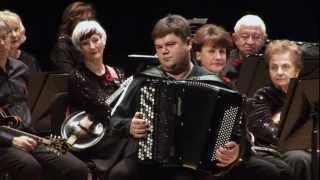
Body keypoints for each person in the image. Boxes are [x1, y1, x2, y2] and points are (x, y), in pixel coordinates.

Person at [110, 14, 285, 180]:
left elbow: (240, 134)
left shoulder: (215, 84)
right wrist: (129, 127)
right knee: (120, 174)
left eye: (170, 45)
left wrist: (236, 151)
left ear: (188, 44)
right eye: (159, 47)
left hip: (195, 164)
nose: (164, 52)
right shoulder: (146, 79)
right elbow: (114, 120)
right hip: (149, 158)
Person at [192, 24, 294, 180]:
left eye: (222, 52)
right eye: (212, 51)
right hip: (202, 160)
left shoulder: (228, 85)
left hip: (230, 154)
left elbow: (240, 127)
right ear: (198, 55)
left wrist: (238, 150)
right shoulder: (193, 84)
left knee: (284, 169)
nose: (219, 57)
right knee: (269, 172)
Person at [0, 18, 88, 180]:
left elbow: (27, 105)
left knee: (78, 168)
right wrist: (12, 140)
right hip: (3, 142)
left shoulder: (21, 69)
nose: (1, 43)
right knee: (30, 166)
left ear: (8, 39)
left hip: (29, 135)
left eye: (3, 37)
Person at [68, 20, 139, 180]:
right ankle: (96, 168)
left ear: (103, 40)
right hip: (97, 135)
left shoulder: (118, 73)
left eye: (95, 40)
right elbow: (101, 110)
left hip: (119, 128)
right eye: (85, 43)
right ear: (80, 48)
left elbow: (127, 104)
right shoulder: (77, 76)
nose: (92, 47)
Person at [247, 40, 312, 180]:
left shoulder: (310, 94)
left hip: (307, 147)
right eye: (274, 67)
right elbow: (263, 129)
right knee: (299, 158)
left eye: (285, 67)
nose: (279, 72)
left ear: (297, 70)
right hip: (273, 150)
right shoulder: (263, 95)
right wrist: (301, 140)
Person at [50, 1, 96, 72]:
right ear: (71, 22)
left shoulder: (92, 44)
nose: (87, 24)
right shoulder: (62, 47)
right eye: (82, 20)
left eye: (89, 19)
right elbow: (69, 78)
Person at [223, 14, 268, 86]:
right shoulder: (223, 58)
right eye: (245, 37)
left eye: (256, 37)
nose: (250, 42)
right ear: (235, 38)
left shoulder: (271, 62)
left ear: (264, 39)